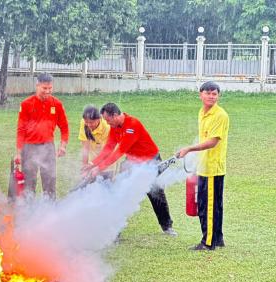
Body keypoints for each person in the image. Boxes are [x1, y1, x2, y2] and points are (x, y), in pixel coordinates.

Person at [84, 102, 177, 236]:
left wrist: (99, 168)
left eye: (108, 120)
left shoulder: (132, 125)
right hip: (132, 161)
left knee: (155, 192)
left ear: (115, 115)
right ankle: (116, 230)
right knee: (121, 190)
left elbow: (119, 151)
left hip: (150, 161)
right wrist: (93, 163)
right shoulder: (115, 126)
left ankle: (167, 227)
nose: (107, 124)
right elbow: (109, 148)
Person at [177, 81, 229, 250]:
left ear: (218, 96)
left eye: (214, 94)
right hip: (204, 165)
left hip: (212, 168)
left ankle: (207, 243)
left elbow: (213, 142)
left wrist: (190, 149)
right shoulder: (202, 112)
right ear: (200, 94)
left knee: (208, 207)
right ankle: (218, 239)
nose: (211, 96)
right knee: (213, 205)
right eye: (208, 93)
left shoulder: (220, 115)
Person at [16, 73, 69, 199]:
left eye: (50, 88)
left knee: (50, 180)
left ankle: (49, 210)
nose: (47, 91)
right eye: (44, 88)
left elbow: (64, 127)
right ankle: (29, 210)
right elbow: (21, 130)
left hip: (48, 147)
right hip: (29, 147)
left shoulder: (57, 104)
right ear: (37, 85)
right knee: (29, 181)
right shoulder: (26, 104)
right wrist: (18, 152)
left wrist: (63, 145)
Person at [78, 105, 121, 180]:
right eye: (86, 122)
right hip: (92, 161)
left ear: (99, 119)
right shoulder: (84, 122)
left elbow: (107, 151)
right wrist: (85, 167)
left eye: (91, 122)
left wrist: (99, 168)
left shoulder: (107, 127)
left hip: (108, 163)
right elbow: (85, 148)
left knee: (106, 186)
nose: (88, 125)